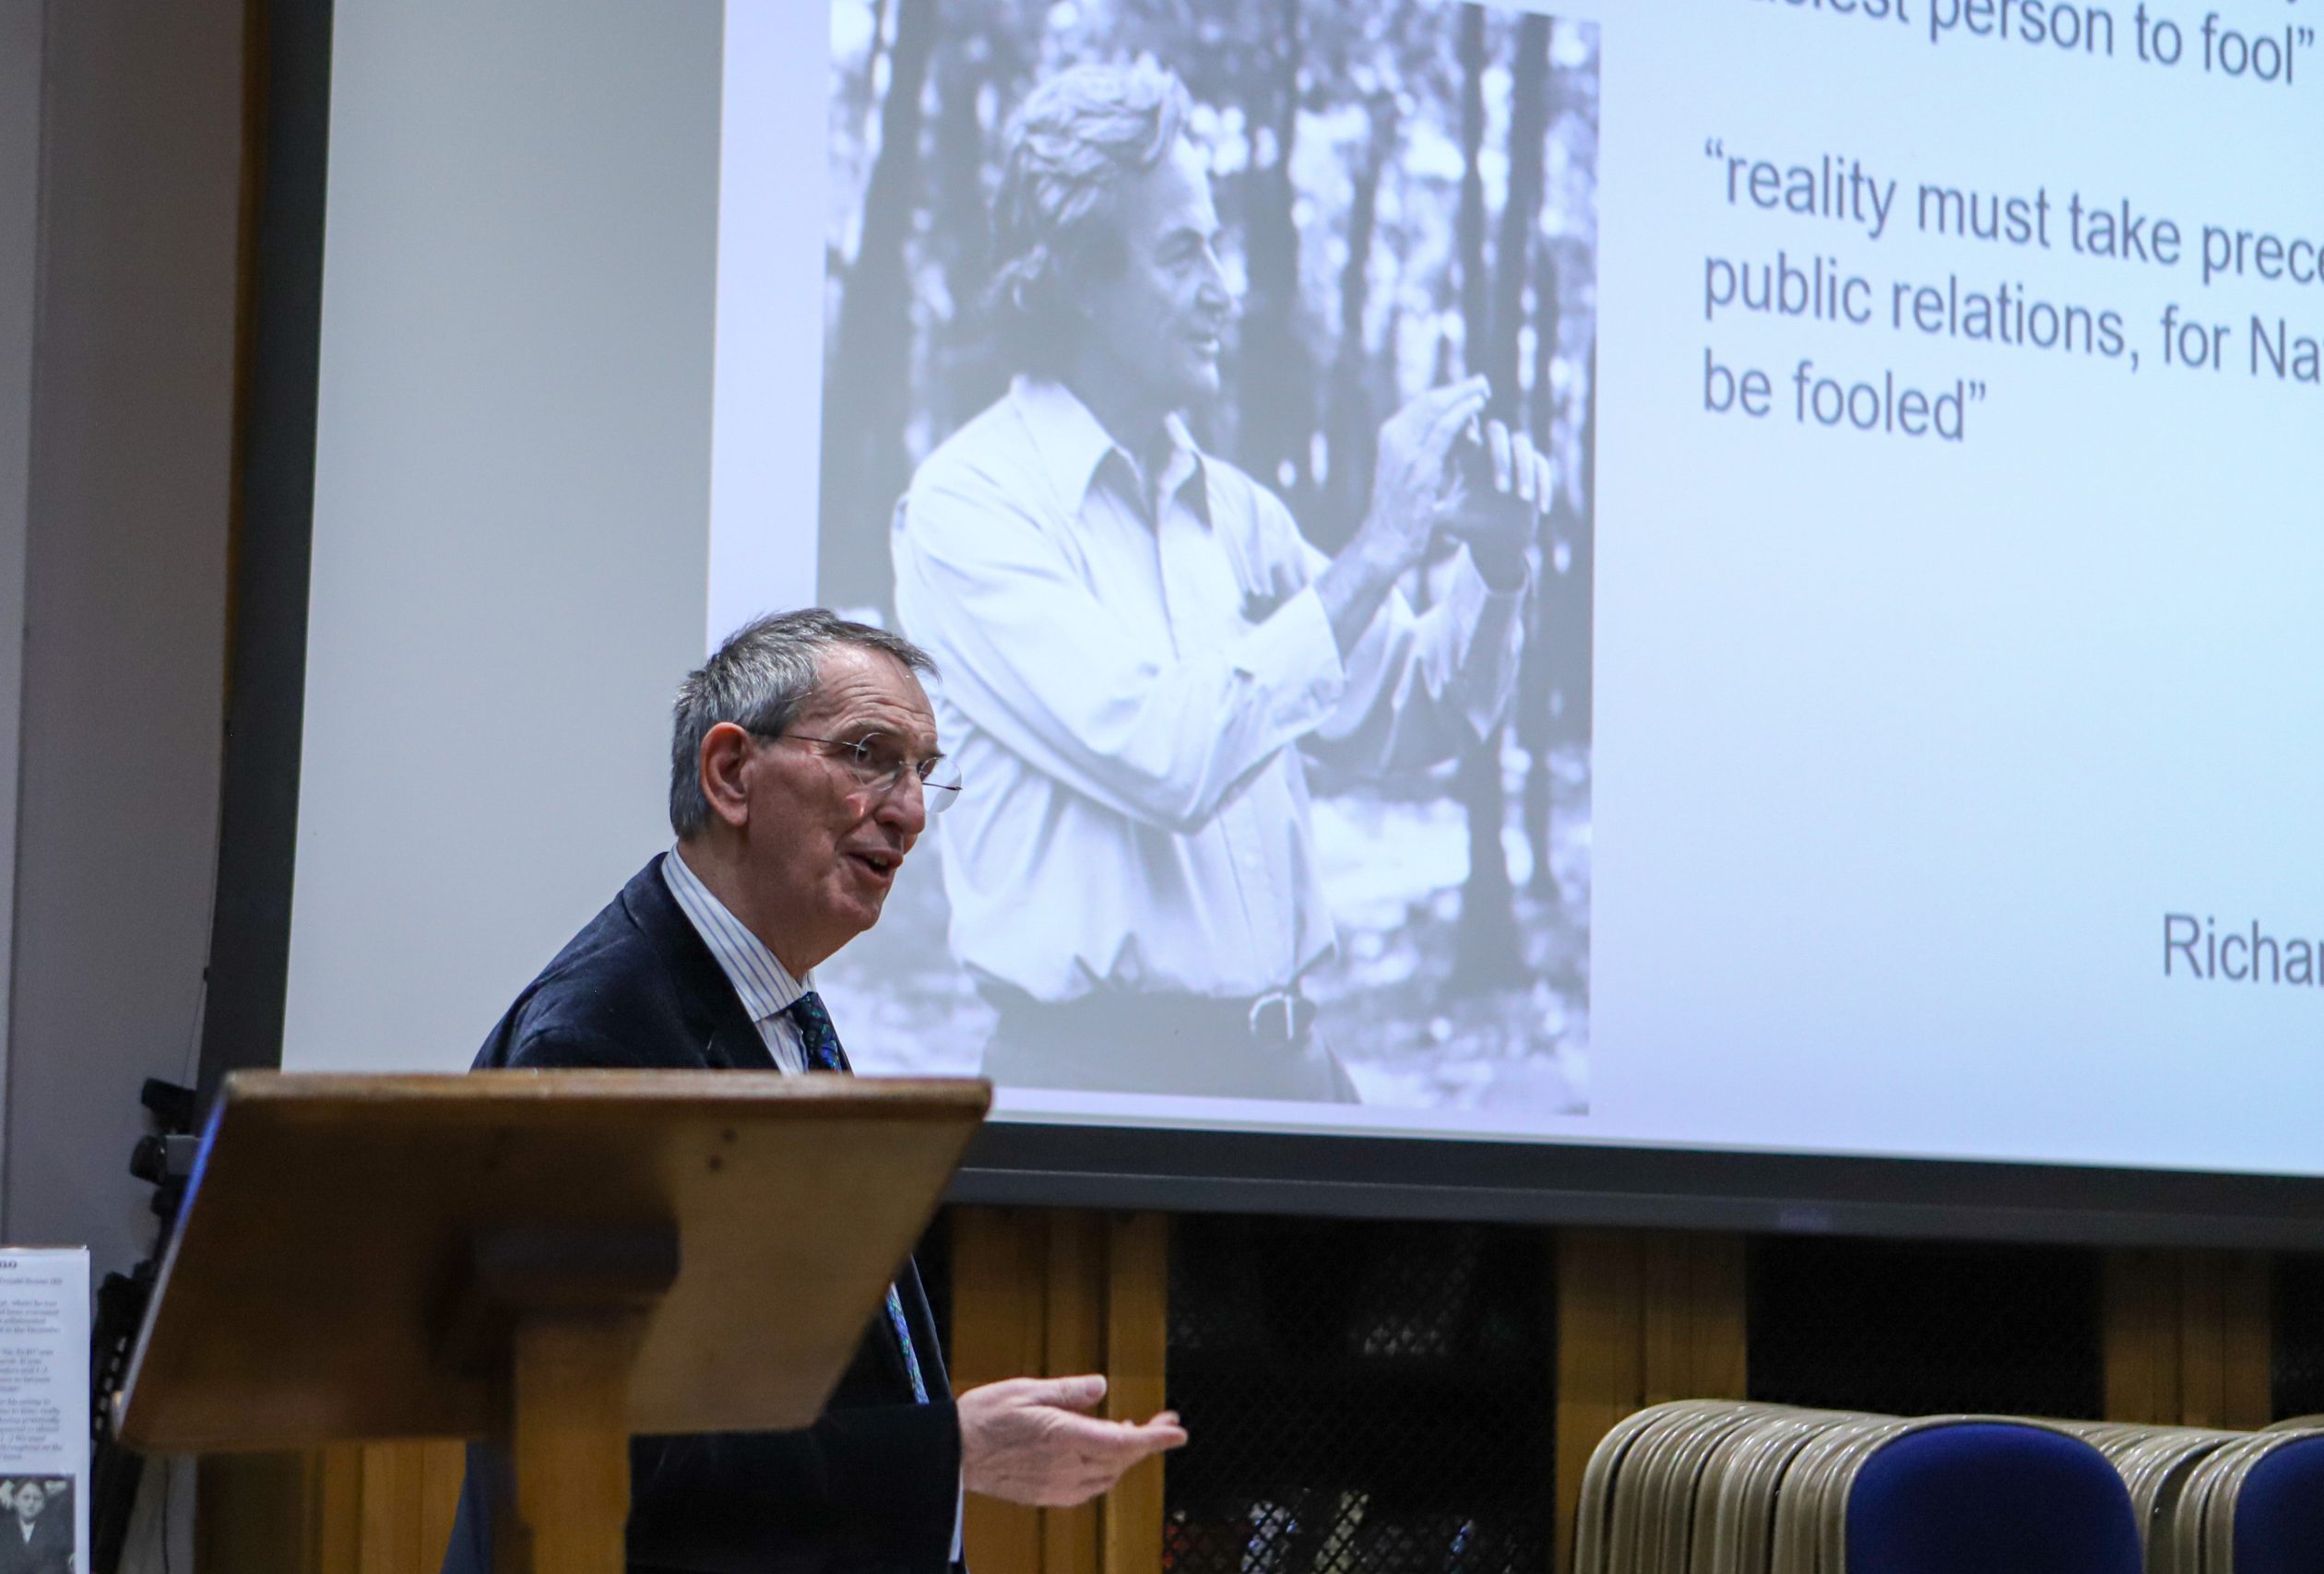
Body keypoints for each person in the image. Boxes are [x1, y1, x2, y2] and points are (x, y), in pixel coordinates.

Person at [440, 610, 1185, 1574]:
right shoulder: (599, 1040)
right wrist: (947, 1451)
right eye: (871, 757)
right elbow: (606, 1458)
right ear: (731, 774)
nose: (910, 811)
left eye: (923, 772)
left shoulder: (763, 1002)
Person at [893, 59, 1554, 1104]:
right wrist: (1382, 546)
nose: (1224, 289)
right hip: (1100, 1101)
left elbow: (1420, 714)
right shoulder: (968, 508)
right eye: (1186, 252)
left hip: (1293, 1080)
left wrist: (1498, 564)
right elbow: (1169, 754)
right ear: (1078, 275)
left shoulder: (1239, 513)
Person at [0, 1478, 71, 1574]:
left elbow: (56, 1565)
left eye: (37, 1498)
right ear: (15, 1501)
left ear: (43, 1504)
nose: (31, 1503)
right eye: (26, 1497)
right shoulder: (3, 1529)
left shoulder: (55, 1530)